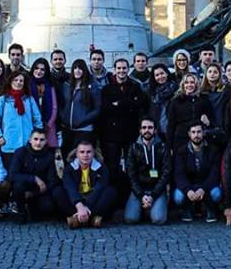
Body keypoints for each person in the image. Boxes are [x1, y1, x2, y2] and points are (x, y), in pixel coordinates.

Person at [100, 58, 148, 191]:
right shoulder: (107, 89)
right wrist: (128, 103)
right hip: (112, 134)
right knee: (112, 165)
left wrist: (120, 103)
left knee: (131, 164)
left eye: (124, 68)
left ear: (128, 69)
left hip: (130, 132)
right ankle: (113, 193)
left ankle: (131, 191)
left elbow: (139, 104)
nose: (122, 71)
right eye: (119, 68)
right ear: (114, 70)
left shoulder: (135, 87)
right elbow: (106, 109)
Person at [10, 129, 68, 222]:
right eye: (35, 139)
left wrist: (34, 193)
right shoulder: (20, 152)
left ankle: (33, 207)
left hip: (40, 191)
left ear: (46, 141)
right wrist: (34, 178)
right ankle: (21, 212)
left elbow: (52, 181)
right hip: (23, 187)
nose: (38, 143)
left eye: (42, 140)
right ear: (30, 140)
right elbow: (12, 175)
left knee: (47, 208)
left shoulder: (49, 156)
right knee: (18, 185)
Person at [0, 70, 43, 169]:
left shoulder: (29, 99)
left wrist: (36, 138)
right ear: (10, 82)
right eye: (16, 80)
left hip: (27, 145)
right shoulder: (3, 100)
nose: (18, 82)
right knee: (11, 175)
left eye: (21, 81)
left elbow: (37, 119)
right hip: (9, 143)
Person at [62, 140, 118, 228]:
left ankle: (78, 219)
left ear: (93, 153)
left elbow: (99, 188)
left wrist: (87, 207)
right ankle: (91, 219)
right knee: (58, 191)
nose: (85, 155)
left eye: (88, 152)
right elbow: (70, 188)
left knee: (110, 192)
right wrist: (79, 206)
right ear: (76, 154)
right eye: (82, 152)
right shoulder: (69, 168)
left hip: (93, 200)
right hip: (76, 200)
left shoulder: (102, 168)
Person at [124, 118, 171, 225]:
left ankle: (152, 207)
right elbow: (131, 174)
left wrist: (153, 195)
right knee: (130, 219)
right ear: (140, 130)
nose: (147, 130)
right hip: (139, 190)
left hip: (157, 190)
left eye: (150, 127)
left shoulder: (163, 147)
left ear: (155, 130)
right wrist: (141, 195)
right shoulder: (133, 148)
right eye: (144, 127)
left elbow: (166, 173)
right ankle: (144, 208)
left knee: (159, 219)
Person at [173, 123, 222, 223]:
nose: (196, 135)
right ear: (189, 134)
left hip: (206, 185)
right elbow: (179, 174)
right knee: (178, 197)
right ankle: (187, 209)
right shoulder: (182, 151)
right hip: (189, 184)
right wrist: (188, 190)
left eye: (199, 132)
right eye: (193, 132)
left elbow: (215, 173)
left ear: (203, 133)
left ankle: (210, 209)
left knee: (216, 194)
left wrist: (203, 188)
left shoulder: (213, 150)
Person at [60, 59, 102, 157]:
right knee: (66, 156)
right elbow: (62, 104)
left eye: (80, 68)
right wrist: (63, 116)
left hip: (84, 130)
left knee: (81, 158)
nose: (77, 71)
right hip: (67, 129)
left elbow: (98, 108)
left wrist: (84, 119)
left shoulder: (92, 86)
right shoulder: (66, 85)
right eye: (75, 68)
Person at [167, 73, 212, 152]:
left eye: (192, 82)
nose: (189, 85)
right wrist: (170, 145)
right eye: (186, 82)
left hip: (199, 137)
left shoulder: (204, 99)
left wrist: (208, 122)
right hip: (181, 138)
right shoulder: (176, 101)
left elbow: (211, 119)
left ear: (196, 84)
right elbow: (171, 124)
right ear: (183, 85)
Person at [29, 58, 59, 148]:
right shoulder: (27, 84)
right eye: (37, 68)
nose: (39, 71)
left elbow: (54, 107)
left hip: (48, 125)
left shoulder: (50, 85)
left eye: (42, 69)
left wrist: (48, 124)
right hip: (31, 125)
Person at [201, 63, 230, 148]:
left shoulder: (226, 90)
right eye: (209, 72)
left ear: (219, 74)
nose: (212, 74)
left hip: (222, 127)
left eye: (215, 72)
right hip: (207, 127)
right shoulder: (201, 92)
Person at [148, 63, 177, 138]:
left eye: (162, 73)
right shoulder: (152, 94)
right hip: (158, 132)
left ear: (167, 73)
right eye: (157, 75)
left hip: (174, 130)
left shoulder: (176, 90)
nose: (160, 77)